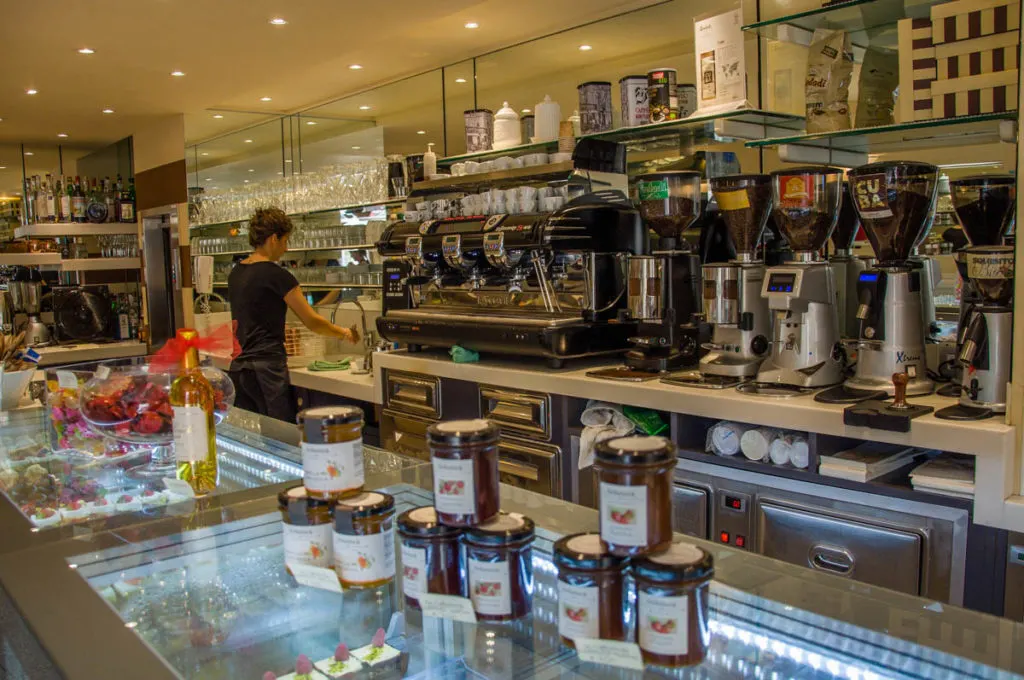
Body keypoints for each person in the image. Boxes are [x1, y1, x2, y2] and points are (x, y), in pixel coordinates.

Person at [227, 207, 358, 421]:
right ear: (273, 239)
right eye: (285, 241)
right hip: (267, 370)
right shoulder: (277, 275)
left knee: (252, 437)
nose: (285, 248)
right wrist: (343, 332)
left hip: (239, 370)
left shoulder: (236, 273)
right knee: (280, 437)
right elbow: (312, 321)